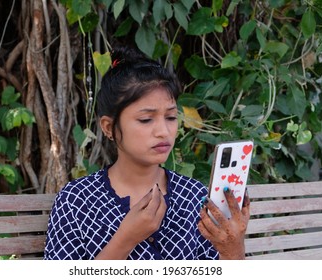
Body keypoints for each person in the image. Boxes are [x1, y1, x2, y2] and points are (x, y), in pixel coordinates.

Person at [44, 46, 250, 260]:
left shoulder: (193, 198)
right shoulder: (77, 201)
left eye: (170, 117)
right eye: (146, 119)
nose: (163, 132)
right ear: (108, 127)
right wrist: (126, 238)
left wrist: (233, 249)